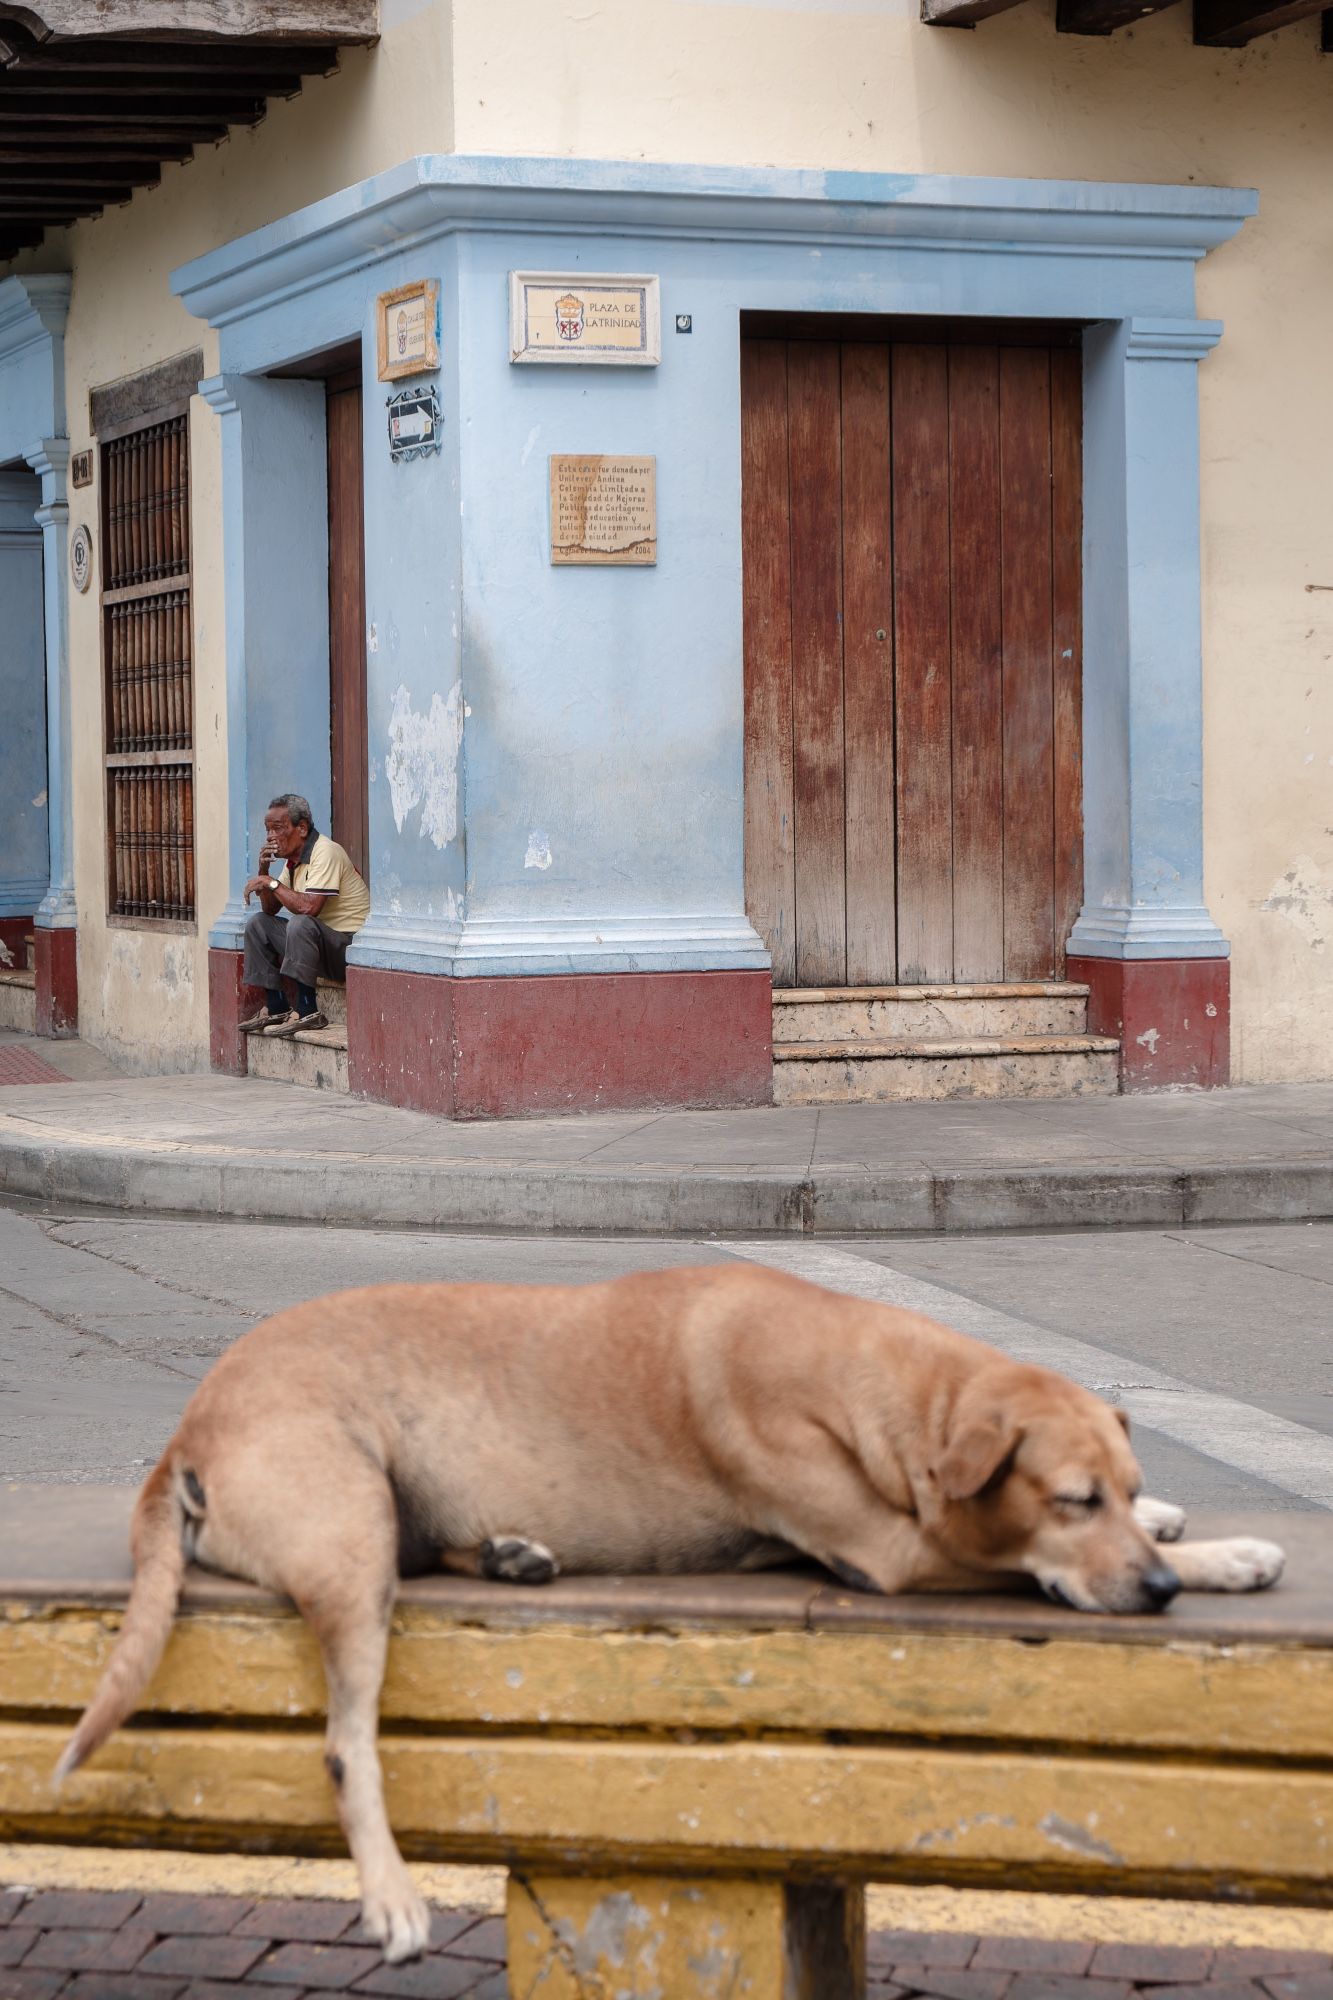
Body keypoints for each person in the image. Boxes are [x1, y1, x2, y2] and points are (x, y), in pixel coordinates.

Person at [238, 793, 370, 1037]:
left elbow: (310, 908)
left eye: (278, 828)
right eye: (268, 830)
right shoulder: (294, 863)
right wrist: (264, 872)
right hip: (318, 948)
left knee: (300, 923)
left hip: (347, 948)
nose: (270, 837)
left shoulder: (325, 851)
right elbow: (270, 910)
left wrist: (271, 883)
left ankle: (307, 1009)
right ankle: (277, 1004)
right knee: (257, 923)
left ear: (301, 828)